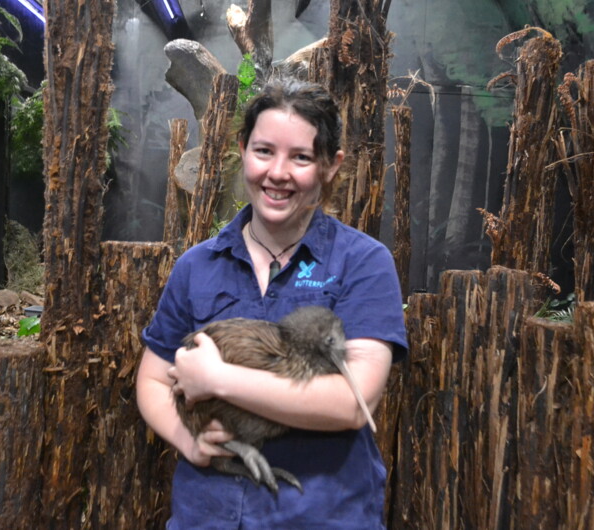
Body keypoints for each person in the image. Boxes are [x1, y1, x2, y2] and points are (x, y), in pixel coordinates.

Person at [136, 77, 409, 528]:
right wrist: (189, 442)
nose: (277, 172)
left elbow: (351, 402)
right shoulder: (198, 265)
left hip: (321, 514)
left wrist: (218, 379)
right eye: (264, 151)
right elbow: (152, 378)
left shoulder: (362, 262)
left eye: (300, 157)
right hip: (210, 515)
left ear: (330, 166)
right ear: (242, 150)